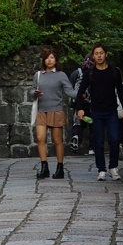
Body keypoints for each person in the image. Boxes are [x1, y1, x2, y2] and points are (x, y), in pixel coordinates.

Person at [76, 43, 123, 181]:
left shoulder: (113, 71)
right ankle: (101, 169)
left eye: (101, 53)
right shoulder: (90, 74)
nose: (99, 56)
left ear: (106, 54)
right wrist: (80, 109)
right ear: (93, 56)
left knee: (114, 139)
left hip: (111, 110)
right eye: (96, 53)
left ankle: (113, 167)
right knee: (98, 141)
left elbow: (121, 92)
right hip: (96, 112)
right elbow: (80, 92)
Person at [31, 46, 75, 180]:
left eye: (52, 58)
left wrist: (82, 95)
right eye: (47, 58)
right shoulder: (38, 75)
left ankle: (60, 167)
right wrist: (35, 93)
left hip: (56, 110)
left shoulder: (61, 75)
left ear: (56, 60)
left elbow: (69, 91)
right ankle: (44, 167)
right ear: (44, 60)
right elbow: (32, 90)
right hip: (41, 110)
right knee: (40, 138)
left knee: (57, 140)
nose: (49, 60)